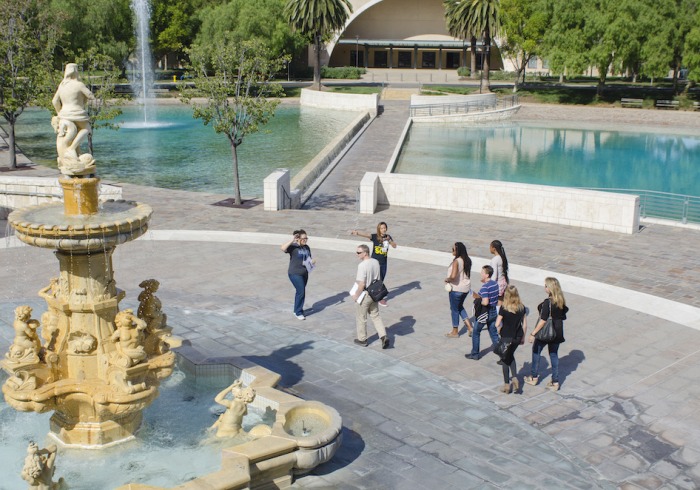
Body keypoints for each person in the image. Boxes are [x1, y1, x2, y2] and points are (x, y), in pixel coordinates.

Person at [525, 277, 569, 392]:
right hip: (558, 332)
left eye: (545, 286)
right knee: (554, 355)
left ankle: (534, 377)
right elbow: (563, 315)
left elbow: (543, 320)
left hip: (546, 332)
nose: (544, 287)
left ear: (549, 288)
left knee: (536, 351)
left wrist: (533, 333)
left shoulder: (548, 303)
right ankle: (555, 382)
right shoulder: (561, 301)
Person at [51, 62, 95, 173]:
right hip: (77, 113)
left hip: (64, 113)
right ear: (76, 71)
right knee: (86, 129)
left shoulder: (62, 85)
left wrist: (59, 113)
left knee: (74, 132)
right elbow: (90, 96)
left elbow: (55, 101)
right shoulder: (78, 84)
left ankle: (75, 151)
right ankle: (71, 148)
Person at [351, 244, 389, 349]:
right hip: (375, 293)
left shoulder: (362, 266)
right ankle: (383, 336)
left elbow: (362, 284)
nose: (357, 254)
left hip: (365, 295)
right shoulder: (375, 262)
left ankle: (362, 339)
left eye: (359, 252)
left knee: (361, 317)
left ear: (365, 253)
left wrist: (356, 295)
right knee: (376, 316)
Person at [350, 222, 396, 306]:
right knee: (371, 280)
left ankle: (378, 296)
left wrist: (389, 240)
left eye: (385, 228)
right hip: (375, 263)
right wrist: (357, 233)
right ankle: (367, 295)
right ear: (379, 229)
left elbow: (394, 246)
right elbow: (367, 235)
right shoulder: (375, 237)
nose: (383, 229)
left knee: (380, 280)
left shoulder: (388, 237)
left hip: (383, 263)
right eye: (382, 228)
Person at [495, 285, 528, 394]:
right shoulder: (521, 307)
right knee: (510, 355)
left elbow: (497, 323)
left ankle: (507, 385)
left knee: (505, 359)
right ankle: (514, 377)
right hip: (517, 337)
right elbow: (525, 325)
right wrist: (523, 337)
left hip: (506, 337)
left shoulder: (504, 307)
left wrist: (499, 329)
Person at [466, 265, 500, 360]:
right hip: (493, 311)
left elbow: (485, 302)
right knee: (493, 333)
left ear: (487, 275)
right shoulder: (495, 284)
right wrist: (476, 294)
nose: (481, 273)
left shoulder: (485, 287)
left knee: (476, 332)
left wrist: (479, 301)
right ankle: (502, 353)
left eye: (482, 272)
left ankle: (475, 354)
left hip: (485, 313)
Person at [281, 229, 314, 320]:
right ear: (298, 238)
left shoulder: (307, 247)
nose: (305, 240)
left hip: (304, 273)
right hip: (295, 273)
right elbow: (283, 248)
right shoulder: (293, 247)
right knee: (301, 291)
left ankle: (297, 309)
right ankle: (298, 312)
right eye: (303, 238)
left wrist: (311, 262)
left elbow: (309, 259)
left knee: (300, 292)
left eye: (306, 238)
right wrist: (292, 240)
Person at [444, 242, 473, 338]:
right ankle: (469, 327)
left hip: (456, 289)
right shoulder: (467, 260)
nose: (452, 251)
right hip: (465, 288)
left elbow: (453, 276)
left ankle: (455, 331)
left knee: (454, 309)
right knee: (459, 306)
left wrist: (447, 279)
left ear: (458, 251)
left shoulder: (457, 261)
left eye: (453, 249)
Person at [489, 240, 509, 307]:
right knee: (501, 301)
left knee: (497, 304)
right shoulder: (502, 257)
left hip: (498, 284)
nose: (489, 248)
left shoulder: (495, 259)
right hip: (503, 282)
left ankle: (499, 316)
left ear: (494, 248)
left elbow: (494, 275)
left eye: (490, 247)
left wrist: (490, 285)